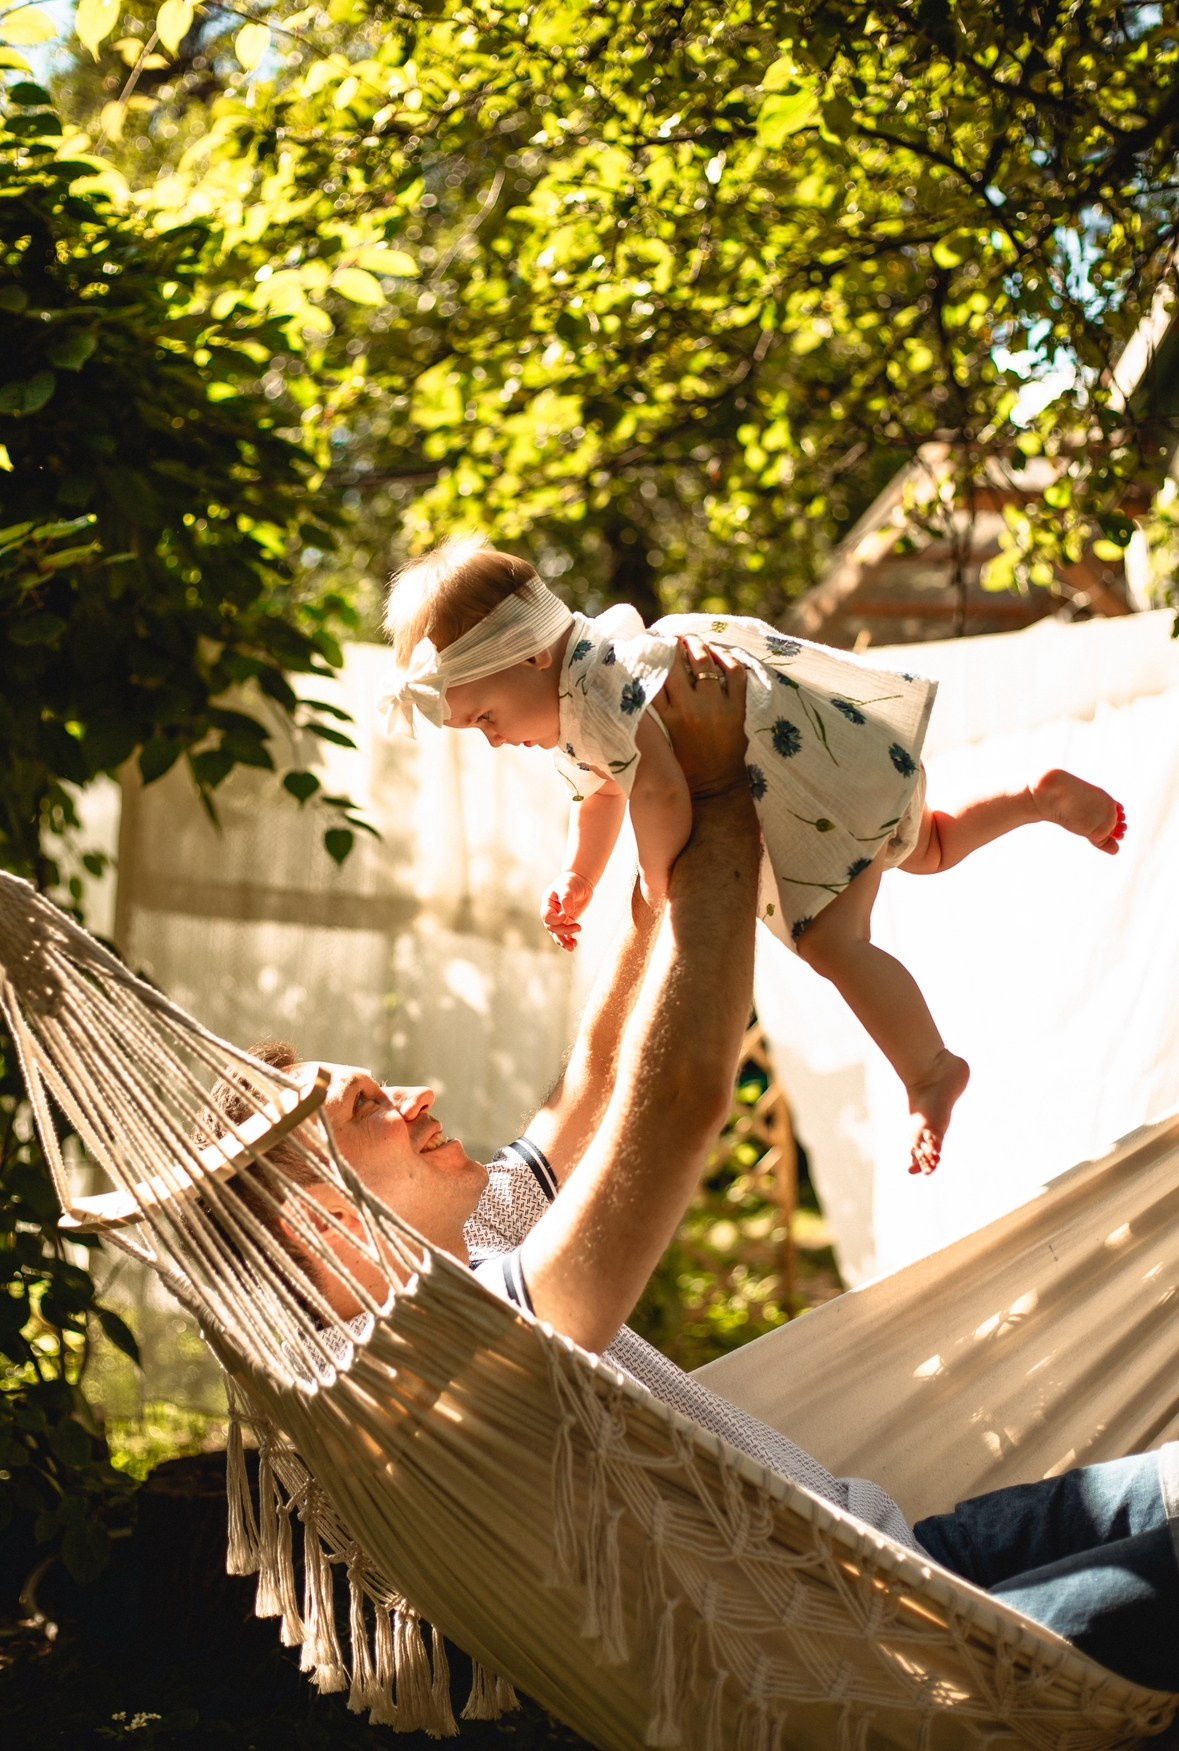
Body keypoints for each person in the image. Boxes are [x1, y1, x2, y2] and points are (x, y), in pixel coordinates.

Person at [223, 640, 1176, 1696]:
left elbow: (592, 1076)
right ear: (314, 1217)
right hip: (892, 1666)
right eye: (370, 1108)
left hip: (911, 1557)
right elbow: (675, 1102)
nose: (420, 1096)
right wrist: (723, 794)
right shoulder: (443, 1372)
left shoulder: (485, 1235)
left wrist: (659, 839)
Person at [379, 535, 1127, 1175]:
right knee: (925, 843)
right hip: (841, 772)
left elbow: (662, 796)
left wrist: (658, 884)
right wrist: (578, 876)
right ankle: (1034, 797)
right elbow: (602, 796)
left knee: (834, 942)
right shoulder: (577, 701)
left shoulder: (603, 687)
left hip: (802, 782)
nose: (493, 738)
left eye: (485, 717)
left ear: (533, 657)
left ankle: (931, 1069)